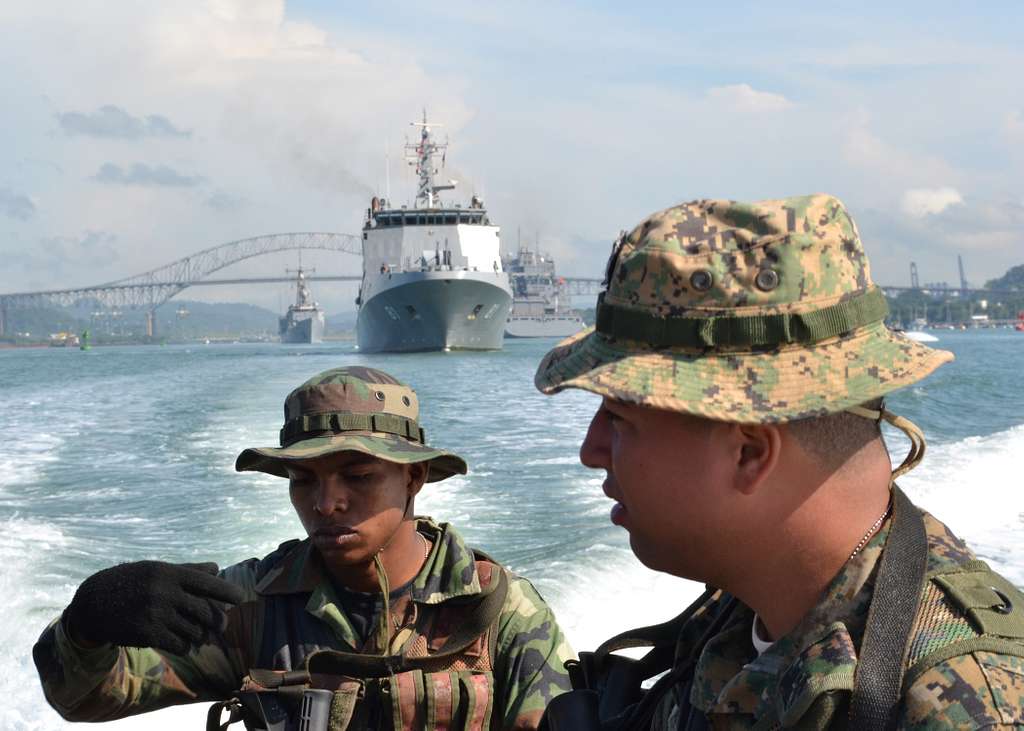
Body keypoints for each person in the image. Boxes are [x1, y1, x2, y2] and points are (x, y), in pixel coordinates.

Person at [534, 195, 1024, 729]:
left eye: (619, 418)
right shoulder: (746, 610)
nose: (591, 450)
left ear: (749, 454)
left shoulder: (959, 707)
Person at [33, 366, 573, 730]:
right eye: (302, 480)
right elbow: (86, 697)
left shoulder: (498, 612)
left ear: (415, 478)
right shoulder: (255, 603)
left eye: (357, 476)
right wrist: (90, 621)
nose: (326, 502)